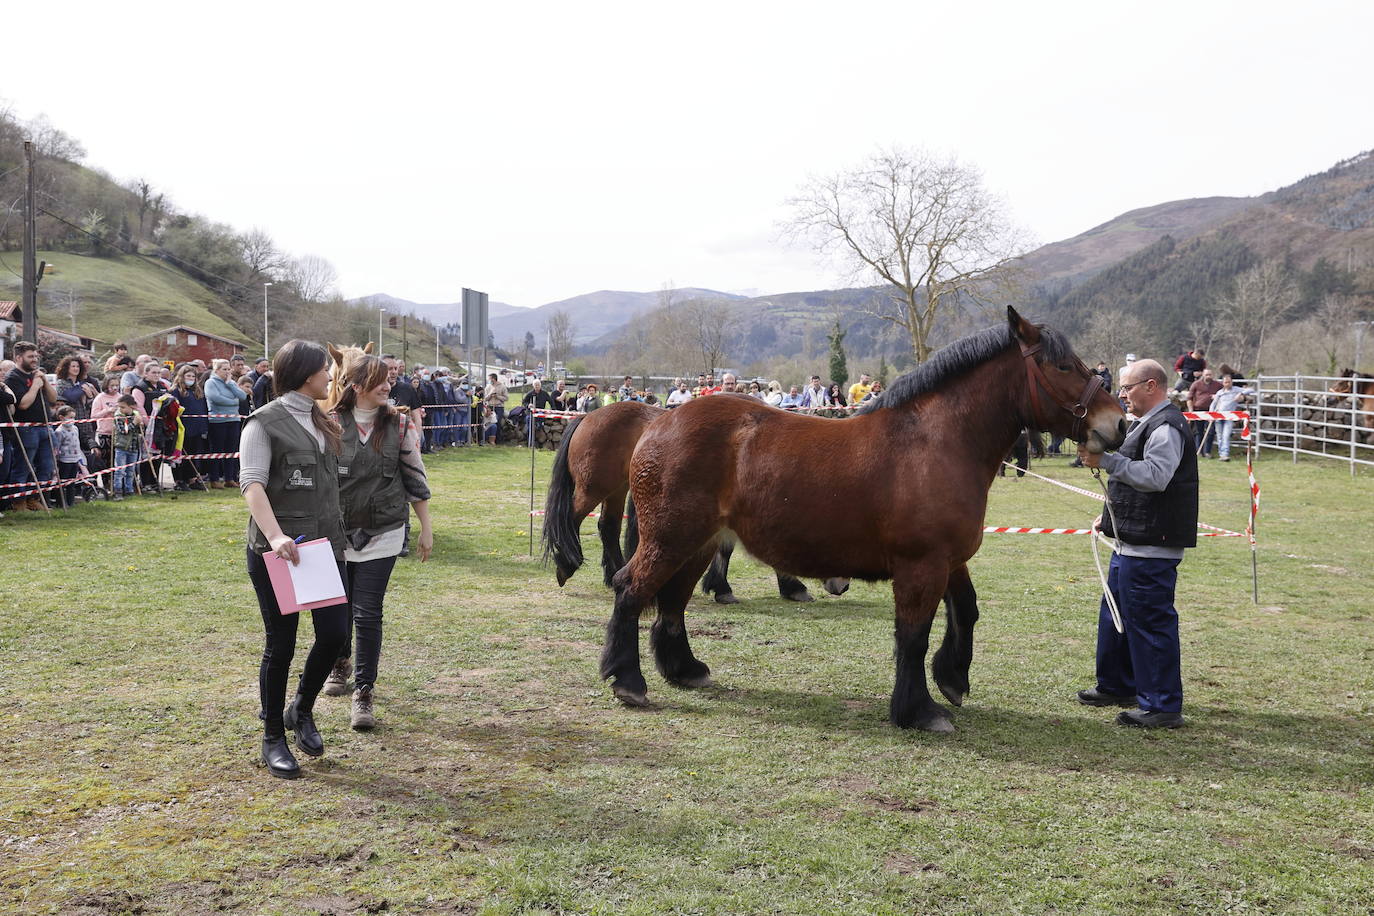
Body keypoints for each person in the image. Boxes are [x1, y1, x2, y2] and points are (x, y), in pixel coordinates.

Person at [238, 339, 350, 780]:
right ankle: (272, 737)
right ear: (306, 374)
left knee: (335, 634)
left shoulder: (323, 421)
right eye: (325, 370)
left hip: (323, 548)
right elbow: (252, 484)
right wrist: (275, 534)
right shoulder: (262, 424)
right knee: (281, 644)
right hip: (279, 552)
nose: (330, 377)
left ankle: (300, 707)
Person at [1076, 358, 1196, 729]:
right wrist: (1110, 517)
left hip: (1150, 548)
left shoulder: (1166, 426)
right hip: (1130, 542)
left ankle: (1161, 705)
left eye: (1127, 387)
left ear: (1151, 386)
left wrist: (1107, 461)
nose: (1122, 394)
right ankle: (1117, 685)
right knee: (1115, 616)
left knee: (1148, 623)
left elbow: (1156, 477)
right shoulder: (1147, 423)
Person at [319, 356, 433, 729]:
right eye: (380, 381)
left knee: (368, 612)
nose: (388, 386)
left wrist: (425, 528)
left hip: (383, 530)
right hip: (336, 534)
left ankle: (363, 692)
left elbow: (414, 477)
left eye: (389, 380)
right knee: (338, 609)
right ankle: (340, 662)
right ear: (356, 386)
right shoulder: (329, 424)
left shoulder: (399, 425)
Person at [5, 342, 58, 512]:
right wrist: (35, 386)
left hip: (45, 426)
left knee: (46, 466)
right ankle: (19, 502)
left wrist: (43, 381)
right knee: (23, 467)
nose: (35, 359)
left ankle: (34, 498)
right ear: (18, 358)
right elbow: (23, 404)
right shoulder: (13, 377)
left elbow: (53, 399)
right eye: (30, 356)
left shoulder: (37, 375)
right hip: (26, 429)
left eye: (36, 356)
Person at [206, 358, 249, 488]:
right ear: (217, 370)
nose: (227, 371)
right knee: (217, 450)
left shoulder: (231, 383)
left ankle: (229, 478)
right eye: (224, 369)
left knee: (231, 450)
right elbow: (216, 398)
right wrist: (233, 402)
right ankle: (214, 479)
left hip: (233, 420)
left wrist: (230, 384)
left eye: (228, 369)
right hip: (218, 421)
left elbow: (242, 396)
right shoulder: (211, 383)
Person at [171, 364, 211, 491]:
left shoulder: (197, 392)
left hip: (197, 428)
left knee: (194, 454)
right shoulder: (175, 391)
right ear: (182, 377)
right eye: (188, 376)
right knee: (181, 454)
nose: (191, 378)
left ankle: (192, 478)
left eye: (193, 376)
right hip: (183, 428)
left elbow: (203, 409)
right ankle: (179, 480)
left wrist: (204, 426)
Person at [1208, 374, 1255, 462]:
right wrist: (1211, 414)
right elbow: (1213, 404)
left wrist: (1241, 394)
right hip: (1218, 416)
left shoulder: (1236, 390)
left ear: (1231, 382)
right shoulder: (1220, 392)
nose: (1227, 384)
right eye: (1225, 382)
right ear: (1223, 383)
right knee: (1220, 436)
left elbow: (1251, 390)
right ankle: (1221, 454)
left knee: (1226, 435)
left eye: (1229, 382)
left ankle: (1225, 454)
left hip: (1229, 417)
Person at [110, 395, 143, 501]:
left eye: (123, 407)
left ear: (131, 406)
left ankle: (129, 489)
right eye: (119, 407)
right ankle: (118, 490)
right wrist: (134, 423)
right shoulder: (118, 416)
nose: (121, 409)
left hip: (134, 448)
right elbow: (124, 431)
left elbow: (139, 431)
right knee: (120, 470)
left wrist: (140, 425)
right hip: (122, 447)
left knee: (130, 470)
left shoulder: (136, 415)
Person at [1186, 368, 1224, 457]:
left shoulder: (1217, 385)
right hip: (1198, 410)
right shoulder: (1196, 384)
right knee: (1198, 432)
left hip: (1211, 411)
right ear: (1203, 375)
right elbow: (1189, 398)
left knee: (1210, 431)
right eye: (1207, 375)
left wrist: (1218, 396)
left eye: (1210, 375)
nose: (1208, 376)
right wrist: (1191, 410)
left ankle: (1207, 452)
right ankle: (1198, 451)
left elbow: (1224, 393)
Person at [521, 379, 555, 443]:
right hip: (531, 412)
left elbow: (551, 401)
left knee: (539, 425)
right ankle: (529, 441)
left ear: (540, 385)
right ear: (533, 386)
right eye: (535, 385)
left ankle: (538, 428)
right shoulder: (530, 393)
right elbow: (524, 402)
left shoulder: (544, 393)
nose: (537, 386)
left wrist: (552, 409)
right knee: (529, 422)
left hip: (540, 412)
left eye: (538, 385)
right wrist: (528, 405)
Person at [484, 372, 509, 442]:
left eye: (489, 379)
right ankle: (488, 439)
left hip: (499, 407)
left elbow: (506, 398)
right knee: (489, 422)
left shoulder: (502, 386)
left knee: (498, 422)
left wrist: (497, 396)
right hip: (490, 406)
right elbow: (485, 398)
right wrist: (490, 394)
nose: (489, 380)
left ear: (493, 379)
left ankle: (498, 440)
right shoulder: (488, 387)